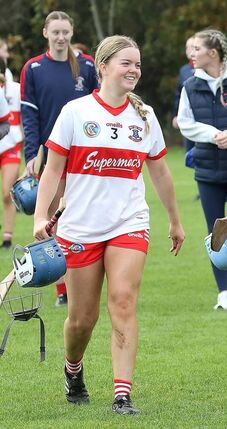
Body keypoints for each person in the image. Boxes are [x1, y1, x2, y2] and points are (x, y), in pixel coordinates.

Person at [32, 34, 185, 415]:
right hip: (80, 228)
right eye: (126, 63)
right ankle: (73, 369)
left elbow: (162, 173)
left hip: (128, 223)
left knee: (123, 300)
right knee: (82, 319)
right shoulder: (75, 112)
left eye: (137, 64)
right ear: (102, 67)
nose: (134, 70)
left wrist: (174, 221)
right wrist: (39, 215)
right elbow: (53, 170)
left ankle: (122, 393)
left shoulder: (144, 116)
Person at [20, 10, 99, 306]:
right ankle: (62, 289)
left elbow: (99, 109)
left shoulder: (87, 65)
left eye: (65, 31)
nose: (61, 37)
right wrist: (32, 154)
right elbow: (30, 114)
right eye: (55, 32)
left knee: (84, 215)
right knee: (57, 220)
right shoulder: (33, 68)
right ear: (45, 34)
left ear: (72, 32)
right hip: (52, 155)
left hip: (85, 154)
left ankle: (86, 279)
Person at [177, 29, 227, 310]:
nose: (192, 54)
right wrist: (213, 135)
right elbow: (184, 122)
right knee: (216, 230)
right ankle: (223, 291)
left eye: (196, 49)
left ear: (213, 52)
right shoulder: (190, 84)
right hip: (207, 169)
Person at [0, 62, 22, 248]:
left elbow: (26, 118)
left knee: (7, 193)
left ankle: (7, 237)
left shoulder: (16, 89)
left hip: (11, 146)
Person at [172, 36, 195, 153]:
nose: (188, 50)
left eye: (192, 47)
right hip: (188, 118)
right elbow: (178, 93)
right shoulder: (184, 70)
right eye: (187, 47)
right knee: (190, 155)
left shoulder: (207, 68)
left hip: (203, 118)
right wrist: (176, 115)